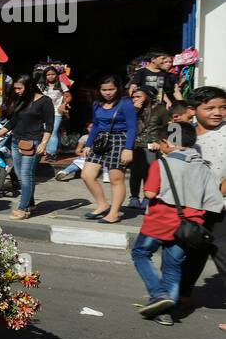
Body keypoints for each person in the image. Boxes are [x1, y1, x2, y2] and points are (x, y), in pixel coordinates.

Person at [132, 123, 223, 326]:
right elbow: (215, 202)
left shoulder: (161, 164)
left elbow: (149, 193)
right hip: (189, 227)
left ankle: (158, 294)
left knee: (140, 253)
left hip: (160, 220)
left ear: (167, 142)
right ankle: (166, 312)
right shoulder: (203, 166)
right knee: (173, 266)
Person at [177, 86, 226, 321]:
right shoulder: (180, 132)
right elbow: (170, 162)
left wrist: (215, 195)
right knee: (193, 251)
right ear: (192, 110)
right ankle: (182, 295)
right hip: (191, 206)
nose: (218, 112)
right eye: (210, 108)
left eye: (223, 108)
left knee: (223, 253)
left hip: (220, 207)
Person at [0, 74, 54, 219]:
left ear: (29, 86)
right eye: (15, 88)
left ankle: (23, 208)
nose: (17, 91)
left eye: (19, 88)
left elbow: (49, 125)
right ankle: (30, 203)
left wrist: (44, 143)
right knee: (21, 176)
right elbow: (13, 122)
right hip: (16, 141)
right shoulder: (21, 101)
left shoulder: (45, 101)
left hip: (33, 143)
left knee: (26, 175)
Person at [78, 76, 138, 223]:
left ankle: (114, 213)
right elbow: (96, 125)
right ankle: (102, 204)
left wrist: (128, 148)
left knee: (116, 179)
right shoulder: (97, 104)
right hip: (100, 141)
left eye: (111, 89)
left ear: (118, 88)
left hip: (119, 139)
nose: (108, 93)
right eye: (104, 90)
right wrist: (88, 144)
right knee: (87, 175)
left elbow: (132, 127)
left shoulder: (125, 103)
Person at [129, 86, 169, 209]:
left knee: (148, 172)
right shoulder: (132, 109)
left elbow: (167, 127)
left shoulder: (160, 109)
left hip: (151, 146)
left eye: (139, 96)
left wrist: (159, 141)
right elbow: (126, 124)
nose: (135, 99)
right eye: (134, 97)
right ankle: (134, 197)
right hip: (134, 145)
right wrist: (135, 110)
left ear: (148, 96)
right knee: (135, 173)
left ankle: (148, 198)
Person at [39, 66, 70, 161]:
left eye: (53, 74)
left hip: (57, 111)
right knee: (46, 132)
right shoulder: (40, 86)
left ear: (56, 75)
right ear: (45, 76)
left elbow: (68, 96)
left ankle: (51, 153)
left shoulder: (61, 85)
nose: (50, 76)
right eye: (48, 75)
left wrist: (64, 104)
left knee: (52, 131)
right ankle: (51, 149)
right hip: (43, 113)